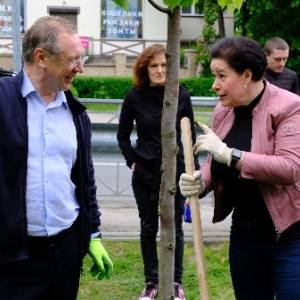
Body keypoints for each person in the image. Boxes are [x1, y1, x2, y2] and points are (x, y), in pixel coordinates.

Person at [0, 16, 113, 300]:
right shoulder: (2, 102)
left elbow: (84, 178)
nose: (81, 68)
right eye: (73, 59)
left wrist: (94, 233)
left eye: (81, 58)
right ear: (41, 57)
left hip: (66, 254)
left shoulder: (76, 114)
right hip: (13, 260)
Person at [179, 36, 300, 299]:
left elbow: (290, 169)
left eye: (221, 76)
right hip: (245, 235)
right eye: (214, 76)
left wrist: (232, 155)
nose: (215, 85)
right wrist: (201, 181)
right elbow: (215, 162)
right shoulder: (224, 111)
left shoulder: (289, 107)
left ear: (246, 74)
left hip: (291, 237)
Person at [117, 44, 199, 300]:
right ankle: (152, 282)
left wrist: (189, 169)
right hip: (144, 173)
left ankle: (175, 283)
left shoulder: (181, 96)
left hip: (174, 173)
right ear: (145, 68)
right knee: (148, 227)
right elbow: (122, 134)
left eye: (164, 65)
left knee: (175, 228)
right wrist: (132, 161)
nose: (160, 70)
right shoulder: (134, 96)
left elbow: (190, 136)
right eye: (154, 65)